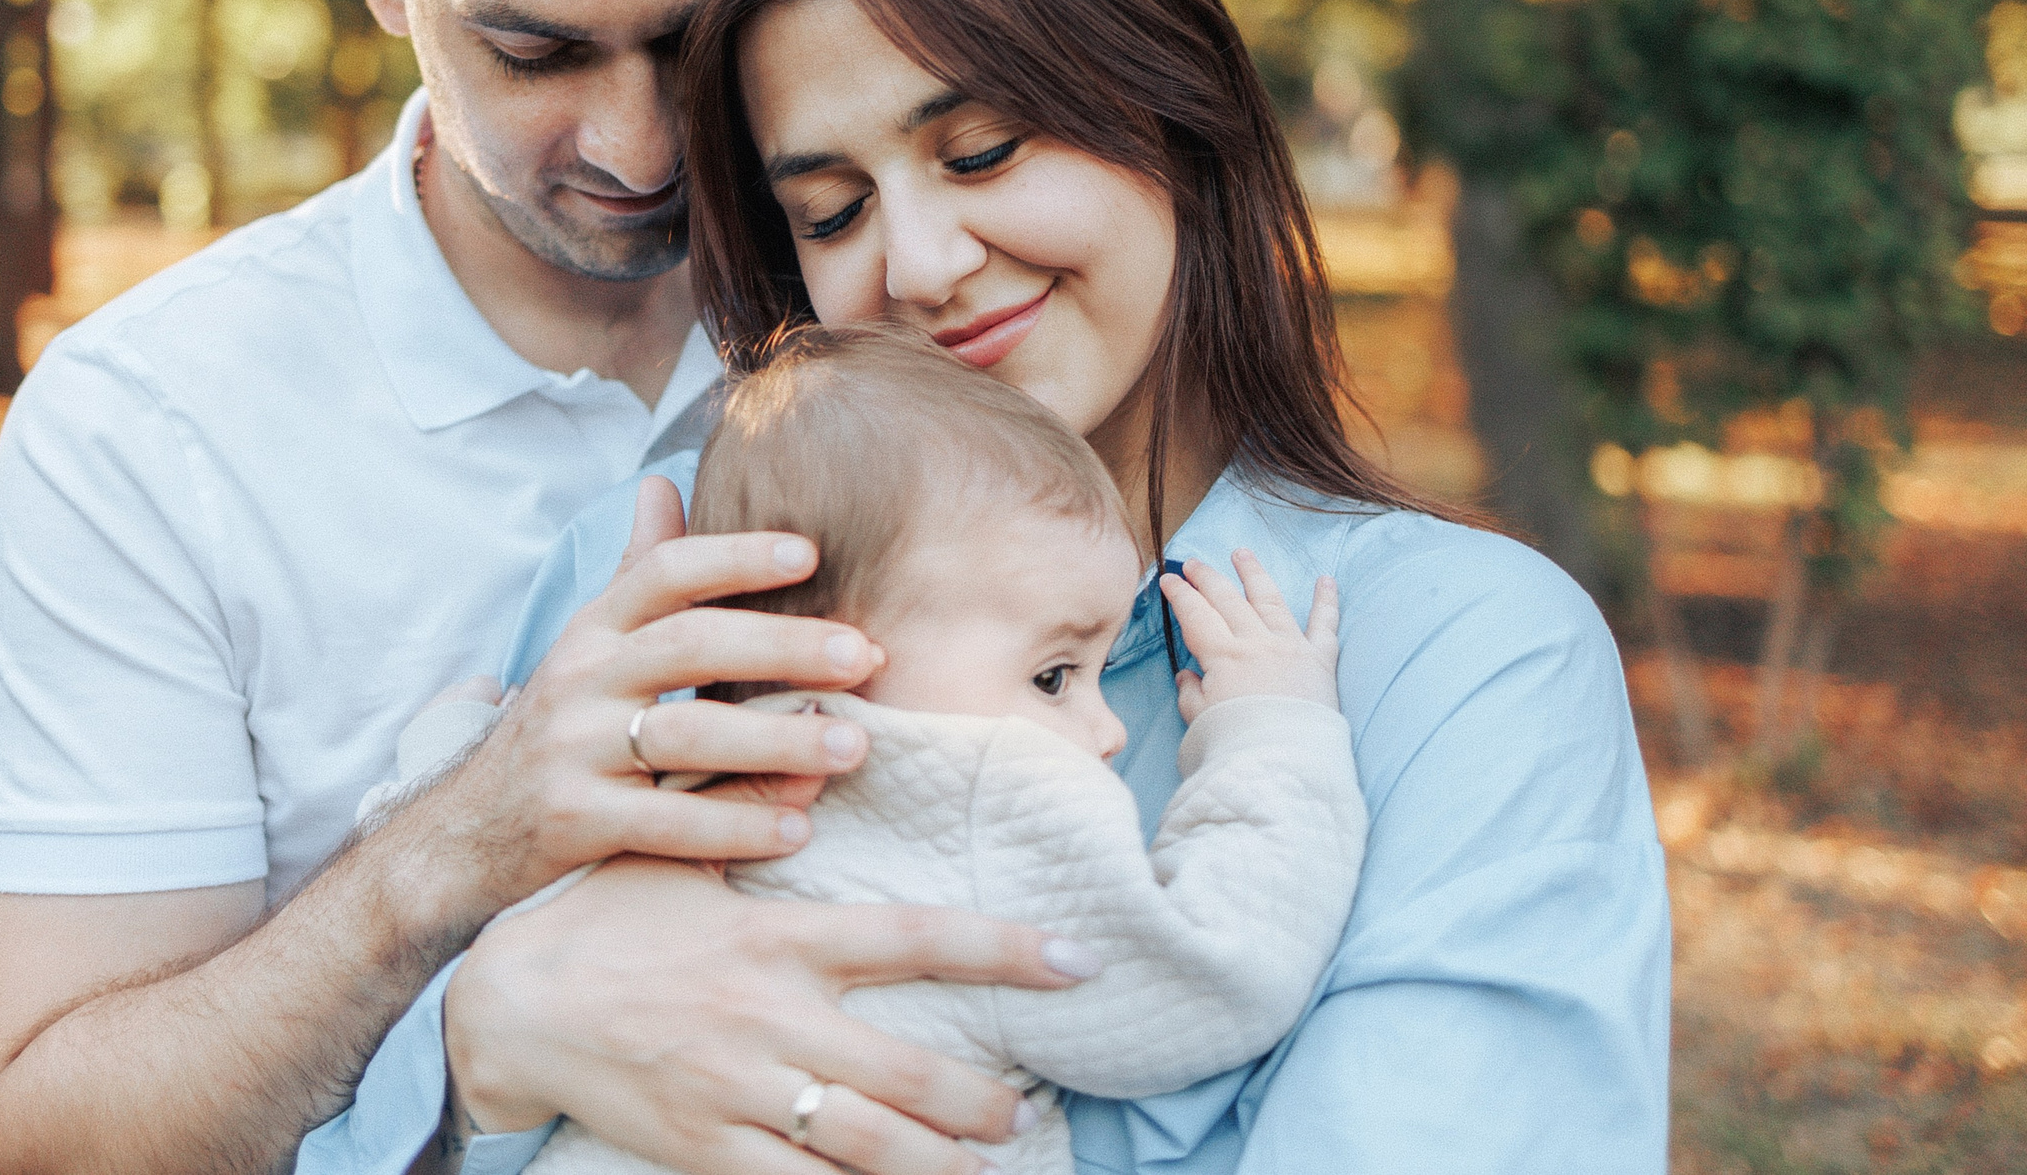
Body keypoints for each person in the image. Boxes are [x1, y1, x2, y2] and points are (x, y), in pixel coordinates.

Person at [309, 0, 1672, 1175]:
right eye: (830, 211)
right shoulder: (668, 580)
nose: (920, 264)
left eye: (981, 152)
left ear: (1173, 107)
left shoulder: (1454, 657)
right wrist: (488, 1043)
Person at [0, 0, 1082, 1175]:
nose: (637, 145)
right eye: (534, 51)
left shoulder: (918, 297)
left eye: (687, 35)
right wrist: (452, 852)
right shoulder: (147, 430)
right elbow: (58, 1124)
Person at [379, 322, 1368, 1175]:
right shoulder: (982, 796)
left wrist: (453, 742)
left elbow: (482, 893)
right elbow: (1214, 977)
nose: (1105, 729)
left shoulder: (647, 779)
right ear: (836, 656)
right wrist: (1272, 727)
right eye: (1054, 676)